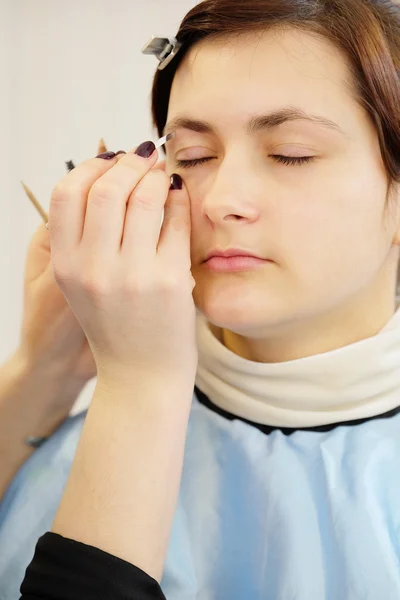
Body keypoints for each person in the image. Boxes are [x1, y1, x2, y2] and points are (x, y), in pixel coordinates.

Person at [1, 0, 400, 597]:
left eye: (292, 152)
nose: (221, 199)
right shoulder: (77, 442)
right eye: (193, 157)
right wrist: (42, 371)